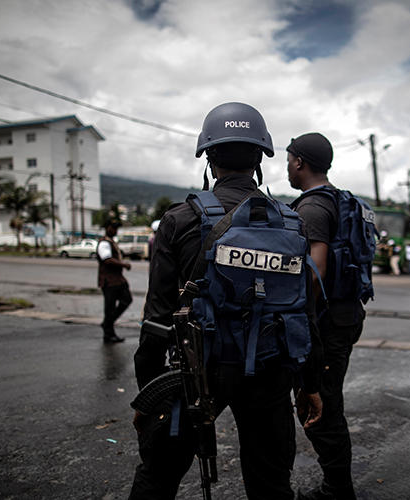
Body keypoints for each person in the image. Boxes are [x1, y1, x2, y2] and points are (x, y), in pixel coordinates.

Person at [129, 102, 322, 500]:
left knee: (158, 479)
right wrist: (309, 383)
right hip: (270, 373)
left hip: (195, 372)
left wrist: (149, 392)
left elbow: (157, 319)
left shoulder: (179, 220)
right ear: (259, 159)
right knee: (271, 485)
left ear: (209, 157)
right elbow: (304, 312)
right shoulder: (291, 223)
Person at [287, 132, 370, 500]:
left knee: (321, 406)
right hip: (346, 313)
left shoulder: (313, 208)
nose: (287, 167)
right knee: (327, 401)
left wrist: (300, 321)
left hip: (325, 322)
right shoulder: (340, 200)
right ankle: (339, 487)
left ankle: (338, 490)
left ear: (300, 162)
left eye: (289, 159)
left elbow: (315, 271)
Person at [97, 219, 132, 343]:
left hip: (117, 280)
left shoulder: (111, 242)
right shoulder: (104, 243)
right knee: (110, 307)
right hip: (109, 281)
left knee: (127, 299)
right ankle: (108, 333)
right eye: (113, 228)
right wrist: (123, 264)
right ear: (107, 228)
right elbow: (107, 259)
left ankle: (108, 322)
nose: (115, 230)